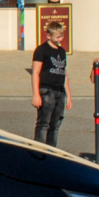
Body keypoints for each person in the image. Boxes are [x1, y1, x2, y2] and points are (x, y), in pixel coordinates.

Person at [29, 18, 70, 150]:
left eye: (62, 36)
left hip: (59, 91)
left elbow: (65, 74)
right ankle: (39, 151)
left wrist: (68, 95)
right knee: (43, 124)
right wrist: (36, 94)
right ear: (48, 36)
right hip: (46, 91)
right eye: (57, 37)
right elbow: (35, 72)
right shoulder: (41, 50)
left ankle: (52, 152)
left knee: (55, 125)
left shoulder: (62, 52)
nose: (60, 39)